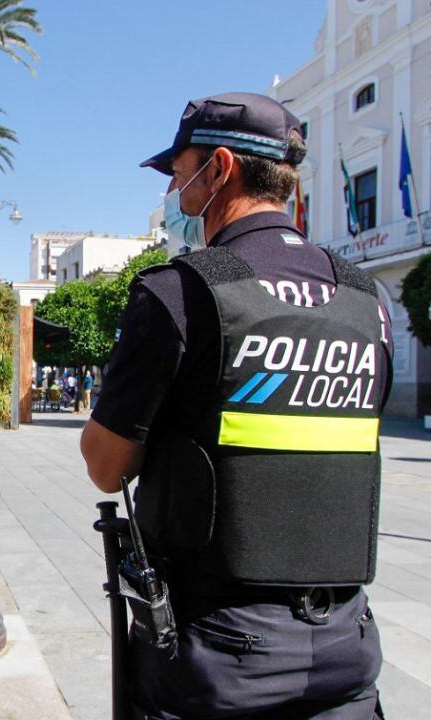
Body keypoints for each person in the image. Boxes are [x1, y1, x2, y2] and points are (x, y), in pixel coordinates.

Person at [80, 92, 389, 719]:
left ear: (219, 168)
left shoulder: (181, 292)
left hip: (217, 659)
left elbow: (106, 467)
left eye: (179, 170)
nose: (174, 188)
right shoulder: (368, 299)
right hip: (345, 650)